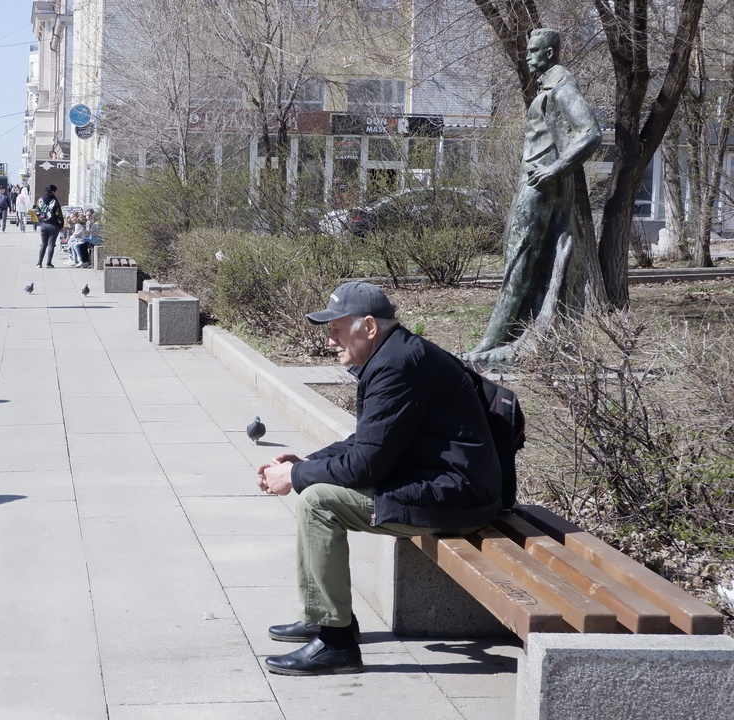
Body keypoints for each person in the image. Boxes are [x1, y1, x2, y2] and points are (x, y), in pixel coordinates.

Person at [256, 281, 502, 676]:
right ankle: (325, 617)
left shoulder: (397, 365)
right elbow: (369, 440)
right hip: (445, 485)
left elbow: (366, 465)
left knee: (318, 502)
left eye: (337, 328)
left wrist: (297, 475)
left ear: (369, 327)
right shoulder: (396, 354)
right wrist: (307, 461)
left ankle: (336, 643)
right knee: (315, 490)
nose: (330, 339)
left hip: (455, 499)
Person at [467, 28, 602, 364]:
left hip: (542, 185)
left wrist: (556, 169)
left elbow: (591, 133)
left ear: (549, 54)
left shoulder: (562, 86)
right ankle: (513, 336)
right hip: (534, 181)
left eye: (532, 51)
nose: (527, 57)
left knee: (519, 260)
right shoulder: (549, 85)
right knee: (523, 259)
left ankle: (490, 343)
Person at [35, 184, 64, 268]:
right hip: (54, 225)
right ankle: (48, 263)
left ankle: (39, 263)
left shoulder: (40, 200)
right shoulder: (54, 201)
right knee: (51, 244)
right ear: (53, 191)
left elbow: (36, 210)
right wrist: (61, 224)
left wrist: (41, 220)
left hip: (44, 224)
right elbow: (58, 214)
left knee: (43, 244)